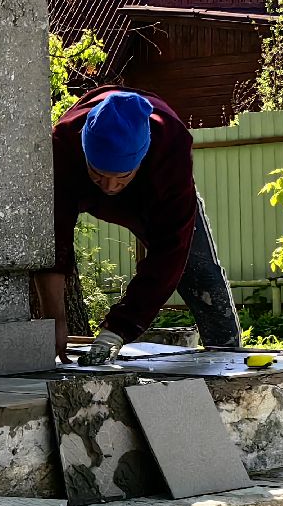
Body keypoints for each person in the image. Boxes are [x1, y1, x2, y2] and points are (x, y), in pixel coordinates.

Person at [34, 87, 241, 367]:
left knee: (199, 271)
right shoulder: (62, 144)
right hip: (79, 182)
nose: (109, 186)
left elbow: (170, 251)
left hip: (152, 198)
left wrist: (119, 328)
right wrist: (54, 320)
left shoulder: (171, 146)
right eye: (99, 174)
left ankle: (227, 357)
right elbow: (53, 240)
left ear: (140, 159)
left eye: (120, 177)